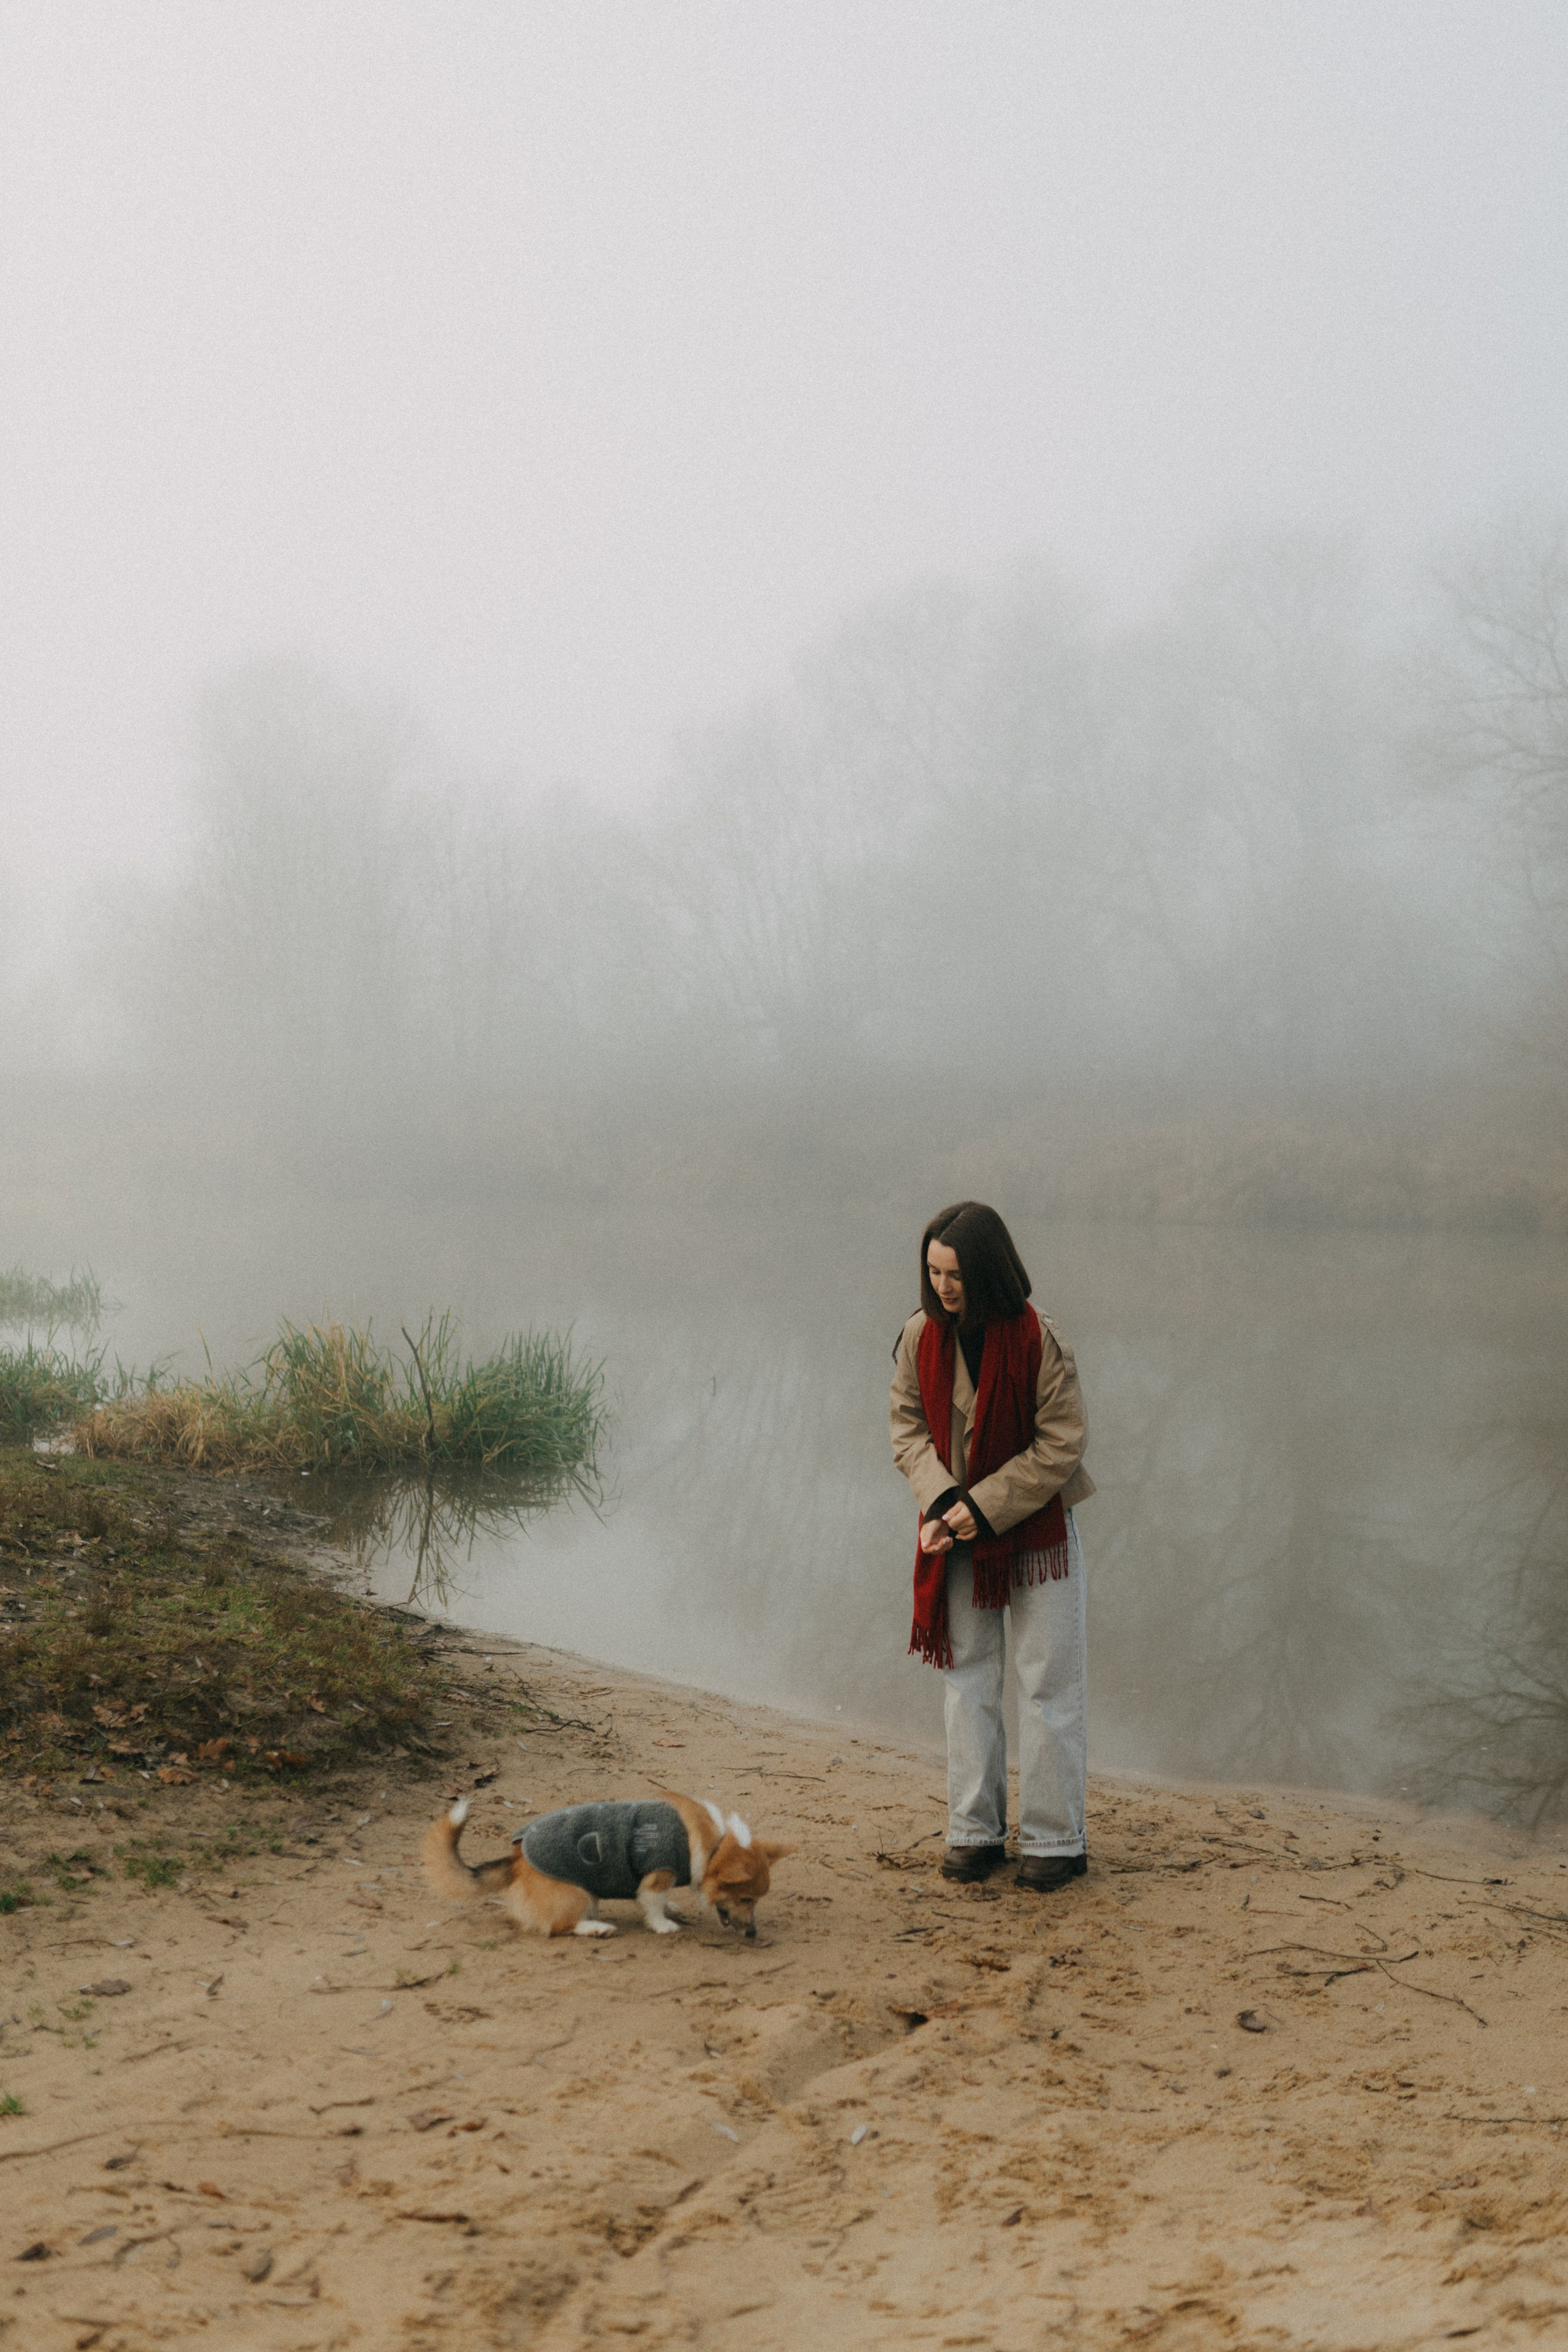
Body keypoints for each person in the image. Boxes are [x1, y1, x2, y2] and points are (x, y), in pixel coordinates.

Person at [890, 1200, 1095, 1892]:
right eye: (933, 1272)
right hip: (953, 1533)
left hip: (1038, 1536)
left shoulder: (1040, 1339)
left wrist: (983, 1507)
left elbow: (1061, 1445)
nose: (943, 1287)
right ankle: (973, 1834)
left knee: (1048, 1686)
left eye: (955, 1274)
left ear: (987, 1271)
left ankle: (1054, 1841)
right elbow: (907, 1428)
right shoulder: (918, 1336)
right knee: (968, 1683)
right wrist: (947, 1502)